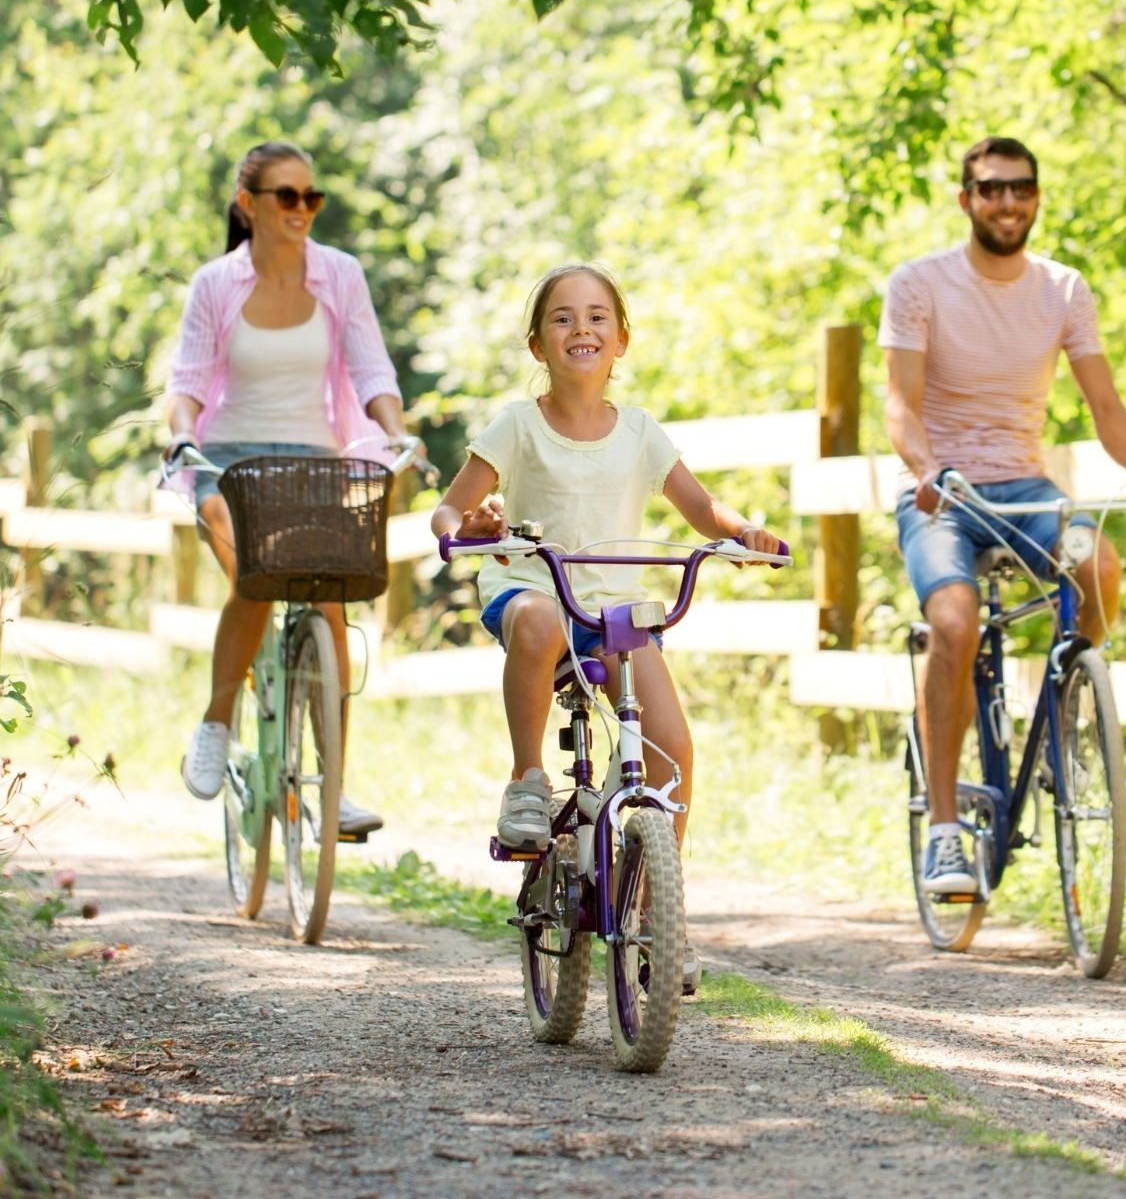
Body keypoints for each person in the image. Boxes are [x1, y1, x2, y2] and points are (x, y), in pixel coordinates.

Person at [428, 264, 783, 991]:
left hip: (612, 610)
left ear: (621, 339)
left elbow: (701, 508)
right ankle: (528, 777)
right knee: (534, 621)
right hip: (536, 588)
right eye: (562, 318)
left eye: (596, 317)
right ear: (537, 345)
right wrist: (467, 526)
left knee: (671, 749)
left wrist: (744, 533)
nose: (580, 329)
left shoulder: (642, 433)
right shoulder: (517, 426)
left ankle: (656, 914)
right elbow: (451, 507)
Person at [881, 136, 1126, 897]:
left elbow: (1104, 405)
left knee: (1099, 566)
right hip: (943, 494)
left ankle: (1064, 717)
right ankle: (945, 832)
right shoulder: (920, 284)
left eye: (1021, 189)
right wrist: (926, 471)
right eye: (991, 189)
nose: (1007, 203)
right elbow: (900, 407)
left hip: (1024, 490)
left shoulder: (1063, 289)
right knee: (954, 621)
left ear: (1036, 197)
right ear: (966, 199)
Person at [163, 140, 416, 836]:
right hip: (229, 461)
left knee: (330, 600)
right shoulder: (216, 283)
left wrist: (394, 433)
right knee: (255, 573)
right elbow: (186, 382)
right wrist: (181, 434)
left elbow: (372, 370)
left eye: (312, 196)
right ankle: (217, 722)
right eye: (286, 196)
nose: (302, 209)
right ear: (249, 205)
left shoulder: (340, 275)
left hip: (314, 463)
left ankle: (331, 789)